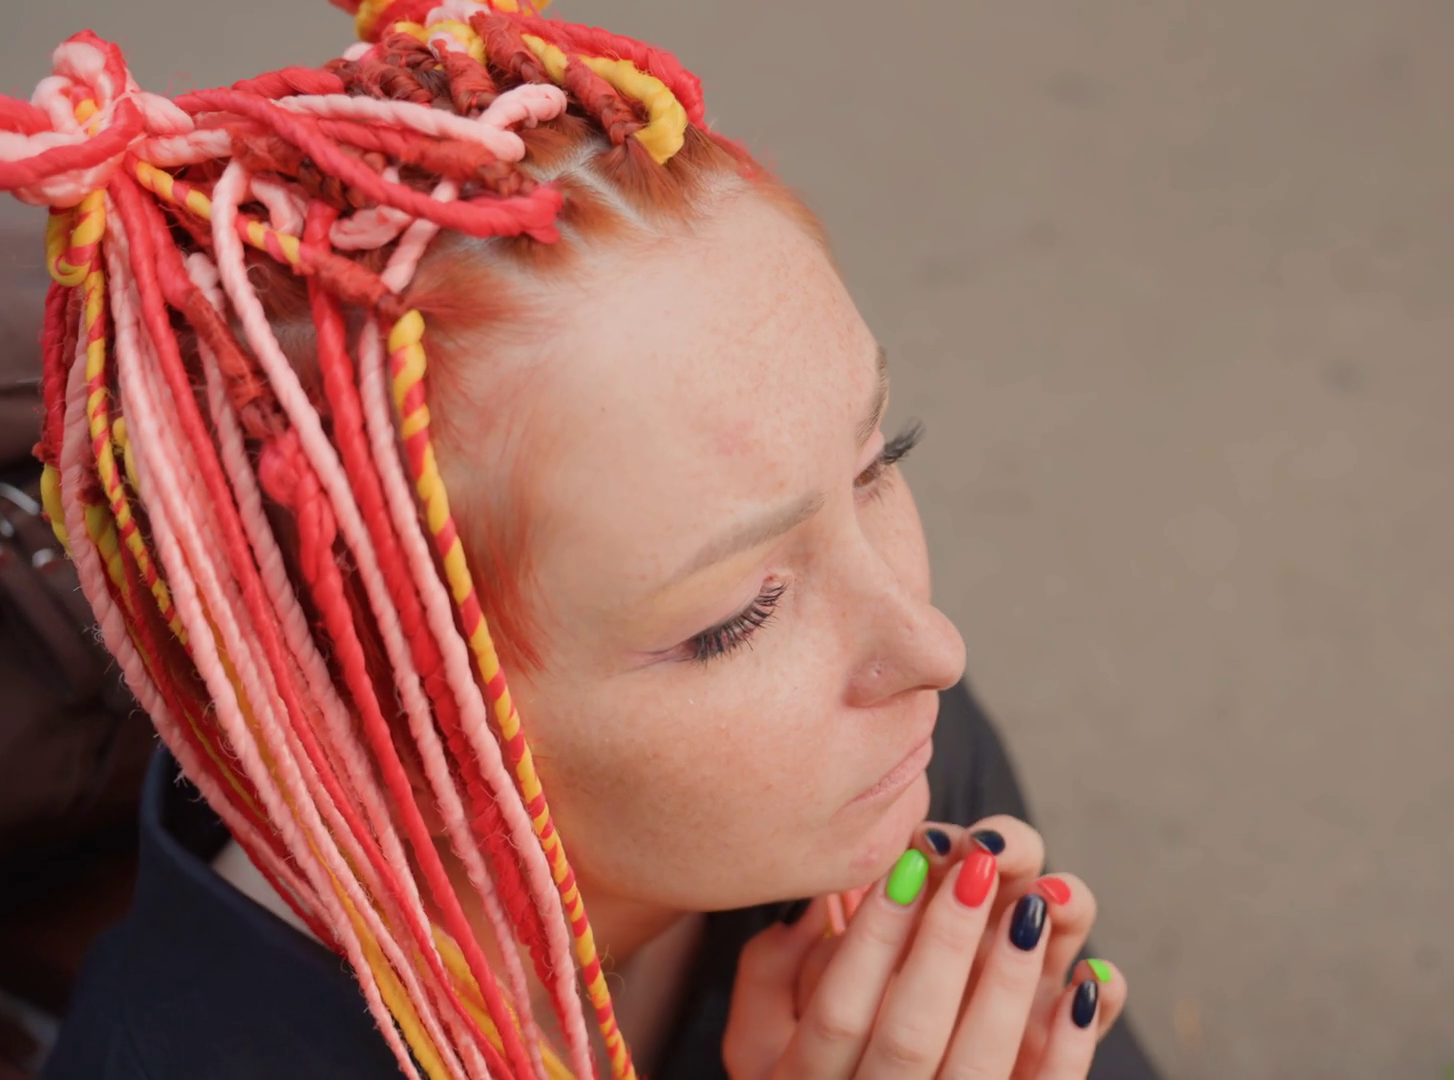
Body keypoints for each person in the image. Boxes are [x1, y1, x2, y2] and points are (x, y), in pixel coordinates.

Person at [0, 2, 1158, 1077]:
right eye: (741, 618)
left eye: (877, 463)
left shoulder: (892, 786)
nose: (932, 650)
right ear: (392, 728)